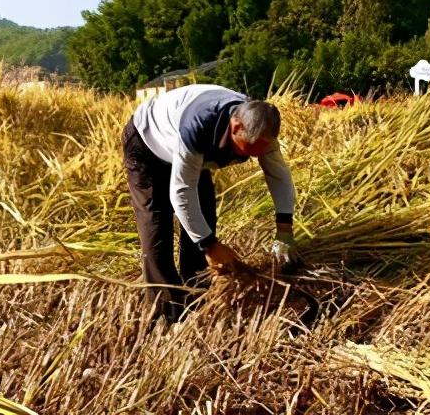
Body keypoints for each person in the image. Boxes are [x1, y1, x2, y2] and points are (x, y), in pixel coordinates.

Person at [122, 84, 300, 321]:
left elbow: (278, 175)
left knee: (203, 215)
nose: (252, 157)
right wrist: (210, 246)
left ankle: (196, 296)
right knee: (156, 228)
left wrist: (284, 231)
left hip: (187, 149)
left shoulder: (260, 127)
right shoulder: (199, 126)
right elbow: (182, 192)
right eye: (249, 151)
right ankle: (167, 314)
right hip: (146, 144)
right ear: (236, 127)